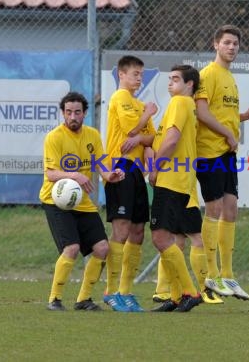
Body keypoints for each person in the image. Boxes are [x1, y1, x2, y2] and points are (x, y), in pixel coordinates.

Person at [195, 24, 249, 301]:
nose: (232, 47)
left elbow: (222, 115)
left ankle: (228, 275)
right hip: (209, 152)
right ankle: (211, 276)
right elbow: (201, 112)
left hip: (226, 153)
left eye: (235, 43)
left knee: (231, 208)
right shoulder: (207, 74)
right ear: (216, 45)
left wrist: (244, 116)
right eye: (227, 43)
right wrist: (226, 133)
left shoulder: (229, 77)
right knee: (213, 207)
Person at [40, 91, 125, 311]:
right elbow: (51, 174)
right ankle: (54, 299)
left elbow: (102, 167)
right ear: (63, 113)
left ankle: (83, 300)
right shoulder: (54, 137)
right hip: (56, 201)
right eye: (68, 112)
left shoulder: (93, 135)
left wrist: (111, 175)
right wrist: (75, 175)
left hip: (82, 202)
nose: (73, 117)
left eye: (77, 112)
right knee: (72, 248)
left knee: (102, 248)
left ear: (85, 113)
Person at [103, 55, 157, 312]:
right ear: (121, 75)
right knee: (121, 231)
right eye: (135, 73)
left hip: (137, 172)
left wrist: (141, 137)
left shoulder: (137, 103)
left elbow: (151, 138)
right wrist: (147, 115)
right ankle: (111, 291)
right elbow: (131, 130)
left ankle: (126, 291)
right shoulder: (120, 98)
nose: (139, 78)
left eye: (141, 74)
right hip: (120, 168)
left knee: (137, 232)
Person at [149, 64, 202, 312]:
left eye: (175, 79)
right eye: (169, 79)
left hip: (171, 180)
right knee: (171, 239)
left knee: (160, 237)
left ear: (189, 84)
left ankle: (189, 292)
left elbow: (171, 140)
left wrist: (156, 168)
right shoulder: (186, 105)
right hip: (181, 182)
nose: (170, 83)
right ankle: (176, 295)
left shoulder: (180, 103)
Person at [152, 185, 223, 305]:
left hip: (175, 194)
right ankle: (205, 289)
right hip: (185, 195)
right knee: (198, 240)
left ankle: (162, 290)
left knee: (176, 242)